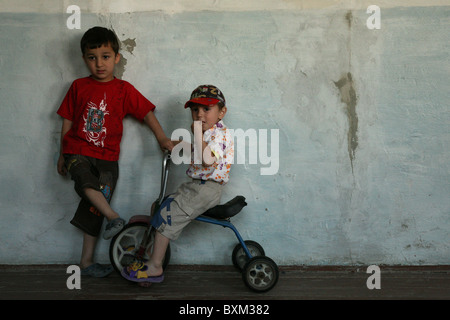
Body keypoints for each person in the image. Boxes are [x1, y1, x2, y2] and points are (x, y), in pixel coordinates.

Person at [56, 26, 174, 277]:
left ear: (116, 57)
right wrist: (61, 154)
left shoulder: (124, 90)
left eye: (105, 56)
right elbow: (66, 119)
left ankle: (86, 262)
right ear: (84, 58)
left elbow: (146, 113)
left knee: (93, 209)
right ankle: (114, 217)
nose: (99, 63)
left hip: (108, 159)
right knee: (87, 181)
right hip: (77, 151)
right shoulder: (78, 86)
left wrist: (162, 137)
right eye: (92, 57)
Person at [121, 85, 234, 283]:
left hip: (206, 189)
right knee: (160, 206)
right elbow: (201, 151)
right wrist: (180, 145)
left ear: (221, 112)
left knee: (167, 216)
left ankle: (155, 266)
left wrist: (197, 132)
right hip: (198, 186)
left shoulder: (219, 135)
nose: (199, 114)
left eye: (206, 109)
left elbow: (208, 159)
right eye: (195, 110)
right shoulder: (210, 134)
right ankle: (153, 253)